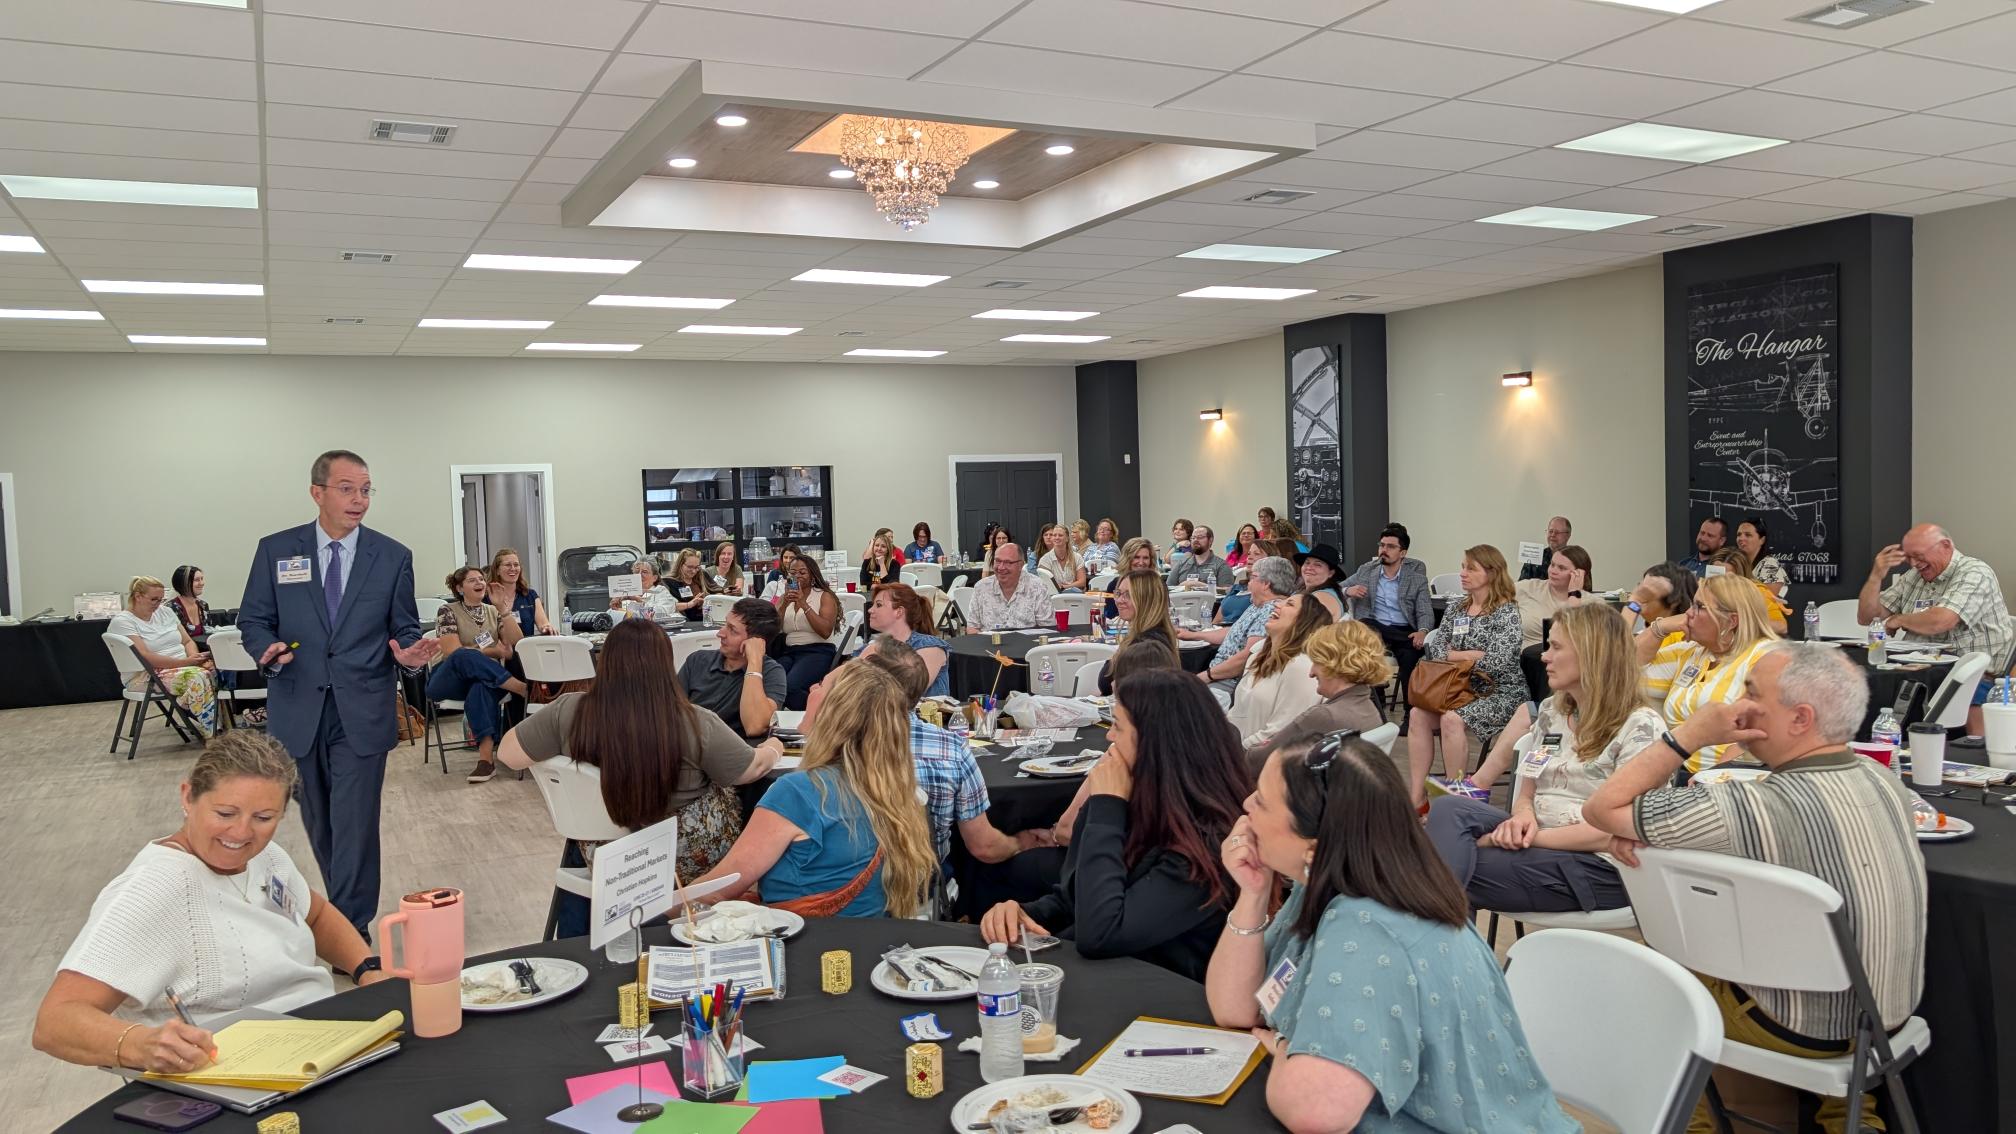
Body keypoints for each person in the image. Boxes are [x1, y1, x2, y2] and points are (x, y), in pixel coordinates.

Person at [1584, 643, 1926, 1134]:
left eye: (1750, 692)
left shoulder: (1752, 806)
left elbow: (1601, 809)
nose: (1733, 707)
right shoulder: (1882, 777)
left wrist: (1689, 736)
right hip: (1889, 1014)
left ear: (1800, 718)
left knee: (1656, 981)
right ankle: (1853, 1118)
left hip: (1809, 1028)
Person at [1206, 733, 1581, 1134]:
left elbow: (1315, 1111)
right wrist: (1253, 892)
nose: (1245, 805)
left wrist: (1282, 1047)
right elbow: (1235, 1010)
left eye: (1261, 800)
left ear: (1314, 847)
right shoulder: (1329, 882)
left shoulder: (1370, 925)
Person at [32, 733, 388, 1074]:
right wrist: (140, 1043)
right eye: (225, 813)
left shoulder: (268, 857)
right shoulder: (152, 890)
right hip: (232, 1070)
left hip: (317, 1041)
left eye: (264, 818)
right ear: (188, 797)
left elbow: (317, 916)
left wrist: (369, 971)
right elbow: (55, 1023)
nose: (242, 834)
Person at [237, 450, 434, 936]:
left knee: (355, 821)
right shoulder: (276, 550)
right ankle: (342, 913)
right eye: (347, 488)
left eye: (366, 490)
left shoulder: (391, 556)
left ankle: (351, 926)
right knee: (319, 820)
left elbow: (404, 626)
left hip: (362, 707)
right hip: (297, 706)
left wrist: (409, 652)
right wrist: (267, 648)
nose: (359, 499)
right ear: (317, 492)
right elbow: (253, 620)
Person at [500, 617, 783, 935]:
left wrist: (577, 765)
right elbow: (750, 771)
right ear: (666, 663)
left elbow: (508, 755)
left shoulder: (569, 711)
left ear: (605, 662)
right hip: (688, 861)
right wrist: (774, 746)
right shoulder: (695, 722)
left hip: (603, 852)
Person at [982, 669, 1251, 980]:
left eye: (1118, 727)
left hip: (1163, 998)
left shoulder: (1207, 842)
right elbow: (1073, 899)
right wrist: (1022, 912)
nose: (1109, 737)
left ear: (1157, 743)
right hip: (1106, 978)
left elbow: (1102, 933)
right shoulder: (1141, 803)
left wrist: (1106, 807)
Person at [1426, 604, 1656, 915]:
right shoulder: (1552, 710)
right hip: (1538, 834)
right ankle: (1449, 953)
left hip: (1599, 865)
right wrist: (1523, 816)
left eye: (1556, 647)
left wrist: (1523, 838)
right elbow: (1528, 786)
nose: (1544, 656)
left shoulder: (1641, 727)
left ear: (1594, 654)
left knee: (1447, 865)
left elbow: (1614, 830)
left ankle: (1438, 947)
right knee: (1447, 808)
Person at [694, 663, 935, 917]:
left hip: (805, 944)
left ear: (834, 711)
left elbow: (719, 889)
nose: (811, 687)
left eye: (821, 684)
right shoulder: (895, 789)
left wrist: (657, 909)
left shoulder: (798, 792)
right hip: (871, 942)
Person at [844, 641, 1022, 867]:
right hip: (923, 879)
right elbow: (984, 847)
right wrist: (1020, 843)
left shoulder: (836, 745)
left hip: (847, 882)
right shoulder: (951, 749)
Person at [1858, 522, 2014, 735]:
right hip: (1918, 676)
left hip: (1970, 678)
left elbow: (1942, 620)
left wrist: (1899, 620)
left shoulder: (1975, 572)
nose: (1914, 564)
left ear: (1946, 546)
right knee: (1865, 690)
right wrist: (1876, 576)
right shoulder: (1914, 577)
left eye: (1919, 556)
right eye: (1909, 557)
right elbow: (1867, 617)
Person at [1407, 545, 1528, 807]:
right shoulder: (1456, 608)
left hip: (1498, 691)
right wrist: (1470, 655)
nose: (1462, 573)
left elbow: (1498, 661)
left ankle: (1453, 800)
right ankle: (1417, 796)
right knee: (1417, 714)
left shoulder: (1506, 612)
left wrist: (1456, 655)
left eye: (1470, 568)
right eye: (1463, 566)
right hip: (1456, 689)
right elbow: (1436, 649)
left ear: (1492, 573)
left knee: (1451, 720)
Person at [1640, 573, 1781, 775]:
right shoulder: (1692, 652)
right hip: (1677, 774)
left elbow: (1760, 734)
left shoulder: (1765, 657)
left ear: (1731, 620)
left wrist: (1712, 777)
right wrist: (1660, 627)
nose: (1688, 613)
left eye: (1699, 607)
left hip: (1730, 779)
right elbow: (1629, 667)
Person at [1246, 619, 1392, 769]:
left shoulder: (1326, 716)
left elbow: (1256, 761)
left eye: (1316, 662)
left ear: (1334, 664)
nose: (1311, 672)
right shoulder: (1369, 710)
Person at [429, 566, 529, 784]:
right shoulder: (447, 610)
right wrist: (493, 651)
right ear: (459, 588)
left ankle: (486, 762)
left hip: (486, 677)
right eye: (472, 580)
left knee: (482, 687)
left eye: (481, 579)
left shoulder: (492, 611)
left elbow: (514, 644)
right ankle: (520, 688)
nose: (480, 583)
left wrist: (503, 609)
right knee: (464, 656)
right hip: (448, 678)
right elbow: (451, 652)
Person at [111, 575, 218, 737]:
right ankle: (211, 732)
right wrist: (186, 663)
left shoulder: (166, 612)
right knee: (199, 677)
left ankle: (214, 719)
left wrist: (195, 659)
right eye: (154, 599)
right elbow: (145, 656)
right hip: (146, 675)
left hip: (180, 666)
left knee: (220, 670)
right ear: (138, 597)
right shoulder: (123, 622)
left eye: (161, 599)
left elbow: (188, 641)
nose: (158, 604)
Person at [1341, 523, 1434, 708]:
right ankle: (1376, 704)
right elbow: (1336, 586)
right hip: (1375, 629)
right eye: (1382, 545)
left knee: (1409, 659)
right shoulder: (1367, 570)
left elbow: (1425, 610)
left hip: (1405, 630)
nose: (1384, 550)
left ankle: (1410, 715)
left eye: (1390, 547)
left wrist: (1423, 631)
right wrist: (1347, 590)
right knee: (1366, 626)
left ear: (1403, 553)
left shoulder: (1416, 578)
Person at [1227, 591, 1333, 748]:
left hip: (1256, 760)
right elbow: (1236, 713)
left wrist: (1235, 752)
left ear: (1304, 621)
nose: (1277, 604)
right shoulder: (1257, 656)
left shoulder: (1301, 667)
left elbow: (1281, 732)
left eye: (1289, 604)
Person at [1188, 555, 1294, 705]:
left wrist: (1204, 677)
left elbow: (1247, 657)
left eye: (1252, 578)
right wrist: (1192, 635)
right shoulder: (1258, 605)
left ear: (1265, 584)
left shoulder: (1271, 611)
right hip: (1219, 674)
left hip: (1228, 683)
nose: (1248, 584)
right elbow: (1234, 632)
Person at [680, 597, 787, 740]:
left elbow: (755, 726)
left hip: (732, 754)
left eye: (732, 630)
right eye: (725, 624)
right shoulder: (697, 660)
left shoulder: (771, 672)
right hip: (687, 745)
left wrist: (754, 663)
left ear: (756, 642)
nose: (720, 633)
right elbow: (669, 711)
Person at [855, 582, 951, 698]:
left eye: (878, 605)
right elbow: (839, 683)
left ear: (899, 612)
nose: (870, 610)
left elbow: (909, 692)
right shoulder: (870, 648)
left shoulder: (929, 647)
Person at [774, 552, 841, 710]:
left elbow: (825, 631)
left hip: (817, 651)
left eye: (802, 573)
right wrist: (784, 604)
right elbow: (775, 628)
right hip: (789, 652)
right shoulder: (785, 598)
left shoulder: (824, 596)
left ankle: (821, 715)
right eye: (793, 573)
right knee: (773, 683)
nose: (797, 576)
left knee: (791, 687)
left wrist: (803, 603)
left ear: (812, 576)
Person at [1098, 569, 1178, 696]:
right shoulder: (1143, 636)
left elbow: (1134, 701)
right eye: (1118, 593)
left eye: (1128, 595)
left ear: (1148, 600)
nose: (1119, 600)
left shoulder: (1148, 649)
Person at [1514, 543, 1592, 649]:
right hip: (1525, 661)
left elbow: (1570, 639)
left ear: (1579, 574)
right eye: (1552, 564)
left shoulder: (1593, 604)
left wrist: (1574, 595)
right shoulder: (1527, 588)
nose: (1553, 571)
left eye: (1561, 568)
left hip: (1565, 661)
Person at [971, 542, 1054, 631]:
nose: (1001, 567)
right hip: (989, 643)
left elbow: (1048, 628)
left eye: (1008, 562)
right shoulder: (981, 587)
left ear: (1021, 565)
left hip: (1027, 643)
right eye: (998, 561)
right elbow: (972, 627)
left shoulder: (1037, 587)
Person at [1707, 547, 1789, 632]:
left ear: (1742, 577)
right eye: (1715, 575)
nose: (1719, 582)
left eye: (1727, 578)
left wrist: (1739, 622)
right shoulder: (1702, 591)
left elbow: (1781, 627)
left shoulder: (1757, 592)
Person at [486, 547, 554, 637]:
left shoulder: (530, 595)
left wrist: (547, 628)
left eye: (516, 565)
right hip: (499, 649)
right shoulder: (487, 597)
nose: (513, 568)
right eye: (508, 565)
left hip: (526, 648)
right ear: (497, 570)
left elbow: (543, 624)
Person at [1168, 524, 1235, 591]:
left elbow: (1228, 591)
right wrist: (1182, 587)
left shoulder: (1221, 565)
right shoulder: (1181, 564)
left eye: (1200, 537)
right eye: (1193, 538)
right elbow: (1167, 588)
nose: (1195, 540)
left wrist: (1198, 585)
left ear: (1210, 540)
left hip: (1210, 601)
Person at [611, 558, 680, 621]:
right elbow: (626, 616)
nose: (639, 575)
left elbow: (661, 614)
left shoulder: (660, 591)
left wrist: (641, 602)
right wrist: (618, 607)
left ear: (654, 578)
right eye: (637, 571)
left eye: (644, 572)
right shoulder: (627, 594)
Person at [1736, 517, 1788, 599]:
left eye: (1748, 535)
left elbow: (1767, 601)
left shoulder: (1770, 565)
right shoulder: (1737, 563)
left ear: (1762, 540)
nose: (1741, 538)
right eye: (1739, 534)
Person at [1294, 543, 1346, 617]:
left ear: (1330, 573)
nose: (1309, 567)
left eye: (1317, 565)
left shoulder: (1323, 597)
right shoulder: (1301, 590)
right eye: (1307, 563)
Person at [1037, 522, 1088, 592]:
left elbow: (1082, 582)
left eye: (1060, 535)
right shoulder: (1045, 560)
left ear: (1067, 539)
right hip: (1053, 598)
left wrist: (1065, 587)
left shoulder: (1077, 557)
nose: (1057, 538)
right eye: (1054, 535)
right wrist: (1073, 585)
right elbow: (1046, 585)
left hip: (1075, 596)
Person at [1518, 515, 1574, 581]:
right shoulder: (1534, 555)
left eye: (1557, 532)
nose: (1553, 535)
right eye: (1550, 531)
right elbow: (1522, 585)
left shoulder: (1576, 559)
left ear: (1568, 535)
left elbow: (1586, 589)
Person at [663, 549, 711, 621]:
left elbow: (717, 591)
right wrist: (691, 603)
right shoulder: (669, 582)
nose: (694, 571)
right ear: (680, 564)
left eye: (696, 567)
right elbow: (669, 606)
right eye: (690, 567)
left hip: (706, 621)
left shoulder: (702, 577)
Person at [166, 565, 210, 641]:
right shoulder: (171, 608)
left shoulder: (203, 605)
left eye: (202, 579)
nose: (202, 583)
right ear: (183, 583)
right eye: (196, 580)